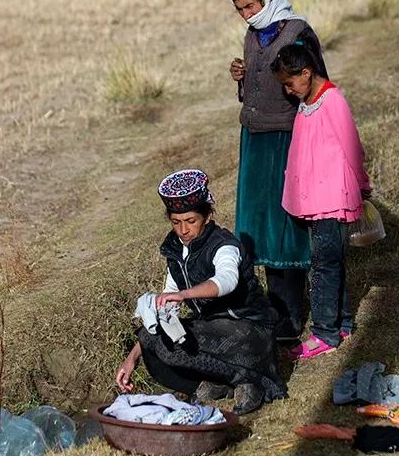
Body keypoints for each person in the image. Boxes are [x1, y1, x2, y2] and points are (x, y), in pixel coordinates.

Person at [115, 169, 286, 415]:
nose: (183, 230)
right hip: (212, 328)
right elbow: (168, 297)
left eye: (191, 221)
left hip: (249, 330)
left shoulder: (224, 245)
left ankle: (249, 380)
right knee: (150, 339)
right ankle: (217, 383)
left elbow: (226, 280)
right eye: (176, 222)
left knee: (170, 345)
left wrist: (185, 295)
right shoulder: (176, 250)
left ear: (207, 217)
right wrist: (131, 358)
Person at [223, 0, 329, 341]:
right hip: (254, 138)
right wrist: (243, 76)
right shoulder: (253, 35)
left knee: (285, 224)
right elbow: (255, 88)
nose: (246, 14)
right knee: (259, 224)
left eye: (251, 6)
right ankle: (274, 307)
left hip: (286, 138)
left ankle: (293, 314)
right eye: (240, 9)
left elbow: (317, 86)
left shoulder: (298, 32)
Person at [270, 44, 372, 360]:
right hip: (317, 199)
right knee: (330, 263)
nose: (288, 91)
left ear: (306, 73)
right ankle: (342, 324)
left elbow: (351, 146)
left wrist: (362, 184)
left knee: (323, 266)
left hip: (331, 199)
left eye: (290, 83)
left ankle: (325, 333)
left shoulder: (332, 101)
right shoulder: (307, 103)